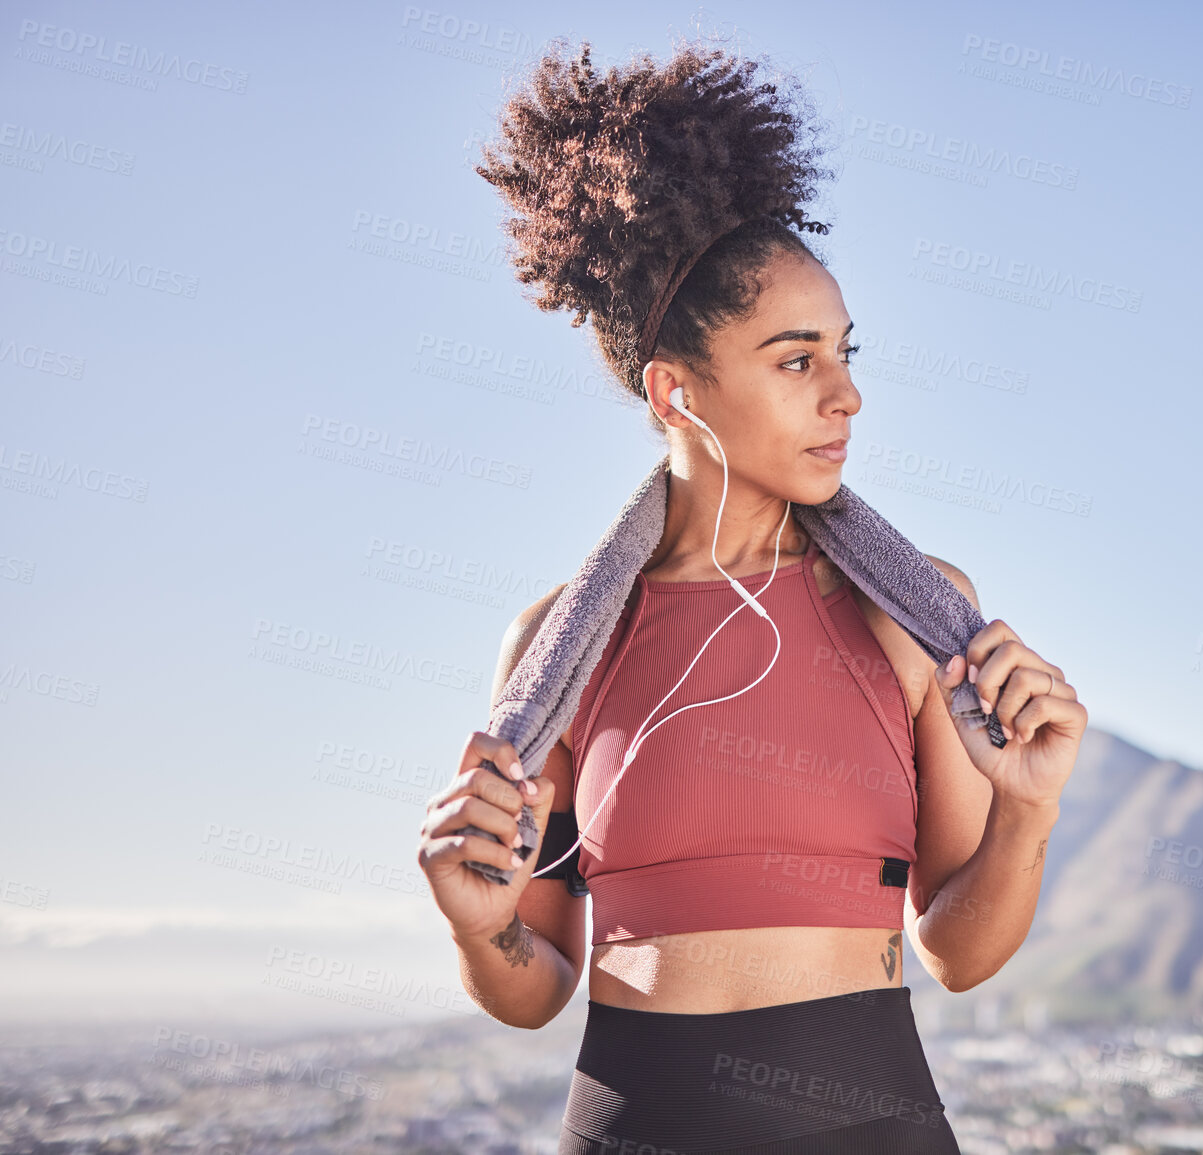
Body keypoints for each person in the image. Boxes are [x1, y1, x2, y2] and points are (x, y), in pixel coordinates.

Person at [416, 35, 1086, 1154]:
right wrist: (476, 927)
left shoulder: (919, 611)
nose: (849, 394)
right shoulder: (556, 650)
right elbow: (534, 988)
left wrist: (1029, 806)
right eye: (796, 360)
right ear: (677, 392)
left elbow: (960, 954)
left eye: (844, 351)